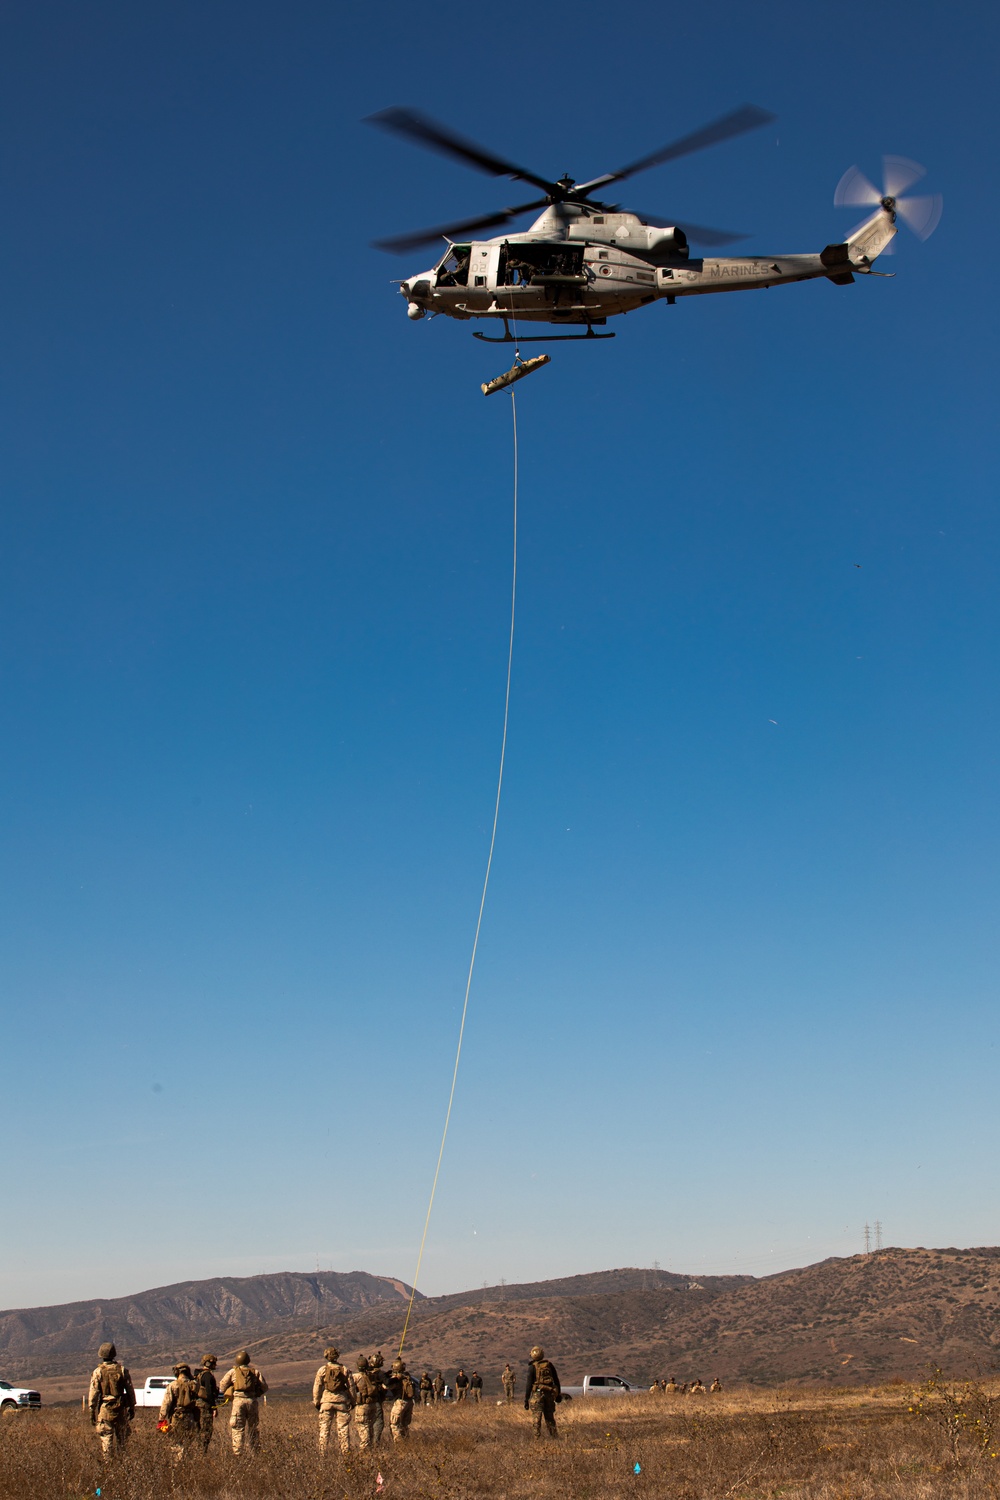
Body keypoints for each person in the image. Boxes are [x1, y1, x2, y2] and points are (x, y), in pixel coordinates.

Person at [87, 1341, 136, 1459]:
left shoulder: (98, 1372)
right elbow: (130, 1390)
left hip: (105, 1409)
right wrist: (132, 1407)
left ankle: (108, 1466)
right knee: (122, 1440)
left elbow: (93, 1393)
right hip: (121, 1408)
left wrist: (91, 1411)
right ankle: (123, 1464)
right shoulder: (122, 1370)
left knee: (106, 1439)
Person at [219, 1349, 268, 1454]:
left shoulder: (233, 1372)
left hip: (238, 1402)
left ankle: (238, 1452)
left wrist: (231, 1389)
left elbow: (222, 1385)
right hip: (252, 1401)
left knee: (237, 1428)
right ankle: (254, 1451)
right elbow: (264, 1387)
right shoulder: (255, 1372)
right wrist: (256, 1393)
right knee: (253, 1427)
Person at [313, 1345, 354, 1455]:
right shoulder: (345, 1369)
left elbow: (317, 1387)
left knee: (324, 1430)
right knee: (343, 1429)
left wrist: (316, 1402)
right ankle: (346, 1453)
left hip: (326, 1401)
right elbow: (351, 1387)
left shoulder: (322, 1370)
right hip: (341, 1401)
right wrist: (353, 1401)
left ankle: (322, 1453)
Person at [159, 1363, 201, 1463]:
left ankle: (178, 1464)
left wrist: (161, 1419)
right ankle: (186, 1463)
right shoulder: (195, 1385)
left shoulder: (173, 1385)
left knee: (176, 1442)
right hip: (191, 1417)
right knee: (188, 1442)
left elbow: (166, 1403)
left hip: (177, 1417)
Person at [524, 1344, 561, 1439]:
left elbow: (529, 1384)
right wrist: (558, 1395)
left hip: (537, 1395)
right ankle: (554, 1437)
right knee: (550, 1418)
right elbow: (556, 1380)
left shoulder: (532, 1367)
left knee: (537, 1418)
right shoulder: (549, 1365)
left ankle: (537, 1439)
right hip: (549, 1394)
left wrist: (526, 1399)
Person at [385, 1358, 416, 1441]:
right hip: (409, 1402)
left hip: (400, 1402)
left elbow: (386, 1386)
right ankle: (406, 1440)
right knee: (404, 1424)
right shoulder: (407, 1376)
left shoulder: (397, 1379)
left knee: (394, 1424)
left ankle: (399, 1443)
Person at [351, 1356, 377, 1451]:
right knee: (370, 1427)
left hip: (362, 1406)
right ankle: (371, 1447)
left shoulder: (355, 1377)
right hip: (372, 1404)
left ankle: (365, 1450)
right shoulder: (372, 1375)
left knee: (363, 1426)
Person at [195, 1355, 219, 1453]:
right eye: (214, 1363)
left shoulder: (199, 1375)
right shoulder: (208, 1376)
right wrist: (214, 1407)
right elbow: (209, 1393)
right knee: (206, 1430)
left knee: (199, 1429)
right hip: (205, 1406)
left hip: (197, 1405)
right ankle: (202, 1453)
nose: (215, 1365)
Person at [369, 1351, 387, 1445]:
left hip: (365, 1403)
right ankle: (376, 1443)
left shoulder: (366, 1373)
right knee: (378, 1422)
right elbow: (387, 1383)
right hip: (376, 1401)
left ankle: (367, 1442)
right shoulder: (380, 1373)